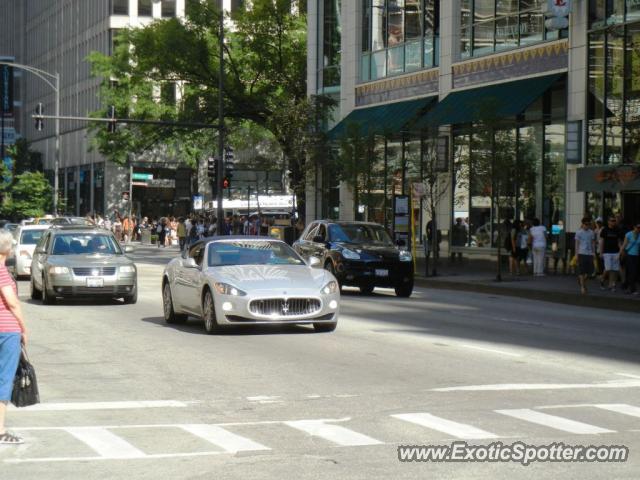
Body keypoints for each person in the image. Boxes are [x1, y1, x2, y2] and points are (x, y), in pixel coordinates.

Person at [0, 230, 27, 445]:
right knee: (3, 379)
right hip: (6, 330)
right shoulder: (1, 270)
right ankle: (0, 430)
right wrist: (23, 328)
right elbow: (12, 302)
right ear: (7, 249)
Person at [600, 217, 623, 292]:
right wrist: (601, 252)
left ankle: (612, 285)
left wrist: (621, 251)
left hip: (615, 251)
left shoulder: (617, 230)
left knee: (615, 269)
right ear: (608, 222)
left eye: (614, 221)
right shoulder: (604, 230)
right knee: (608, 268)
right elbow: (602, 241)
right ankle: (602, 280)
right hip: (607, 252)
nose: (613, 222)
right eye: (612, 221)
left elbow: (619, 241)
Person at [575, 217, 597, 295]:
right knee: (582, 271)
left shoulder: (591, 232)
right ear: (582, 224)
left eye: (588, 224)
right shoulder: (579, 232)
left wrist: (594, 253)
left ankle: (582, 282)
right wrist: (576, 254)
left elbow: (593, 243)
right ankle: (582, 287)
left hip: (589, 253)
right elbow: (577, 244)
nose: (587, 226)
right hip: (581, 253)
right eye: (586, 224)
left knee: (590, 272)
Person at [620, 223, 640, 295]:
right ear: (634, 227)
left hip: (637, 256)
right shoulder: (628, 234)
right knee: (632, 272)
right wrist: (620, 253)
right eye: (637, 227)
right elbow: (624, 244)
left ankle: (625, 285)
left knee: (633, 272)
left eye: (639, 228)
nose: (638, 229)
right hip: (629, 255)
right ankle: (632, 289)